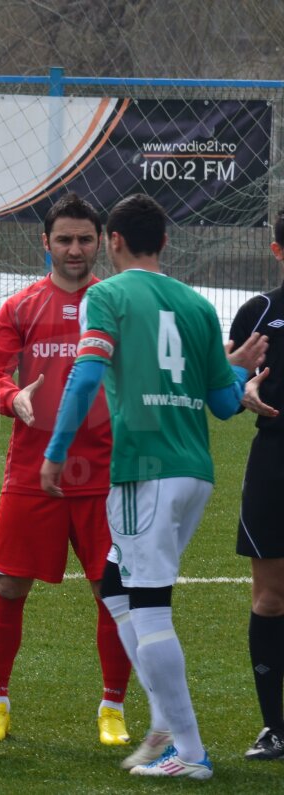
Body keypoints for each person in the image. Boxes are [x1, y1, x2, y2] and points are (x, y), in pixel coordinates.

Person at [41, 193, 267, 779]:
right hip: (194, 470)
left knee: (150, 606)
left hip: (146, 469)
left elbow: (87, 371)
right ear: (164, 242)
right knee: (116, 585)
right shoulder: (195, 305)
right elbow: (223, 405)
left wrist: (57, 451)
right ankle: (166, 720)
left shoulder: (105, 294)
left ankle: (187, 752)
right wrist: (238, 364)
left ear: (111, 241)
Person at [0, 193, 131, 744]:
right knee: (10, 584)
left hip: (106, 474)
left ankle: (112, 708)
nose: (74, 249)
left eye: (85, 239)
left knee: (112, 592)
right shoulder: (21, 306)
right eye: (63, 239)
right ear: (45, 242)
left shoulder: (116, 304)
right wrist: (11, 397)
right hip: (31, 470)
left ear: (102, 242)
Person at [228, 208, 284, 761]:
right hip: (274, 461)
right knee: (270, 599)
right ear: (277, 252)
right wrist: (238, 387)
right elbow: (225, 376)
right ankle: (276, 727)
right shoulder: (260, 311)